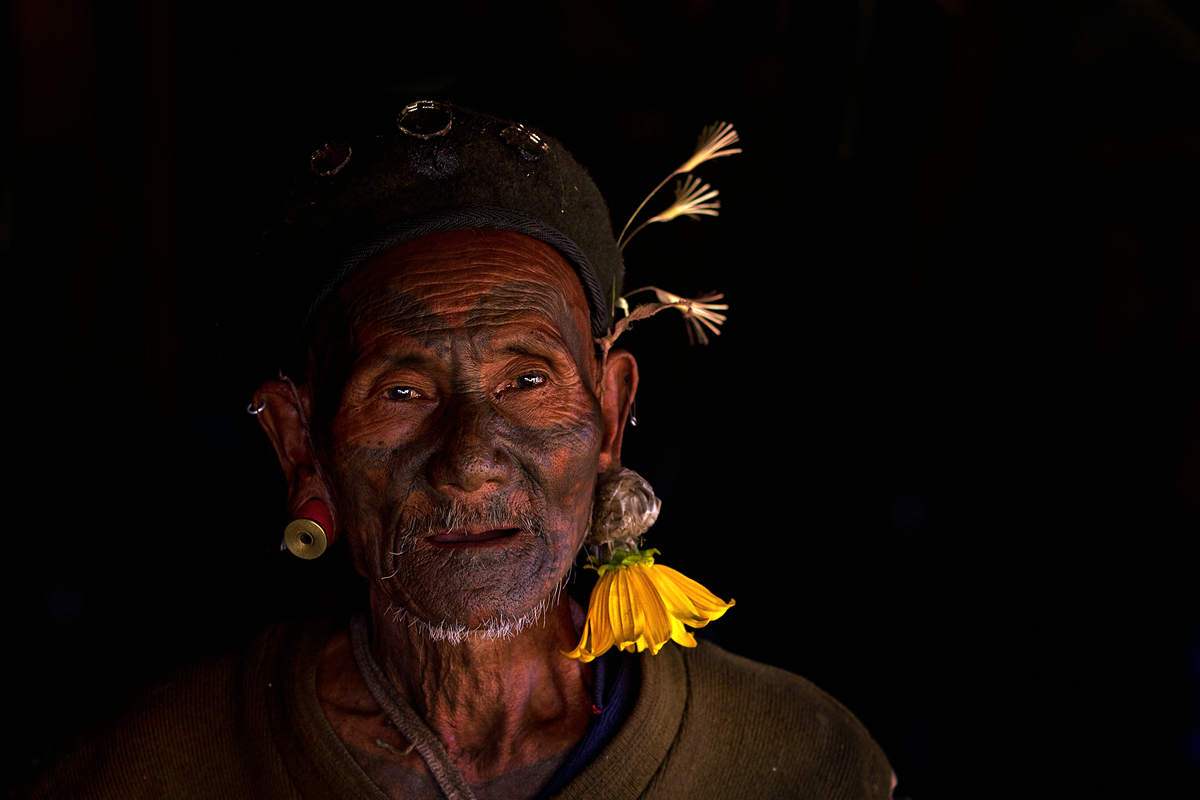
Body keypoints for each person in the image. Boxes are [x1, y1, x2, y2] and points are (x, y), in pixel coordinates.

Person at [22, 101, 895, 800]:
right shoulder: (147, 773)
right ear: (302, 443)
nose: (471, 459)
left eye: (526, 380)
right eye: (401, 393)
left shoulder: (800, 762)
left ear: (612, 409)